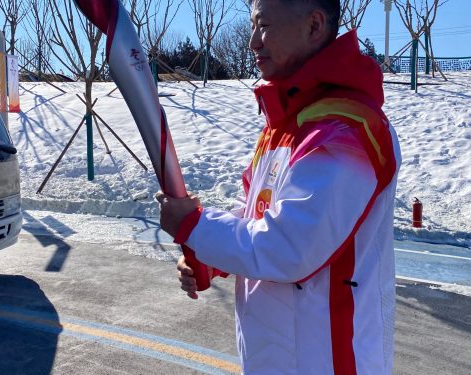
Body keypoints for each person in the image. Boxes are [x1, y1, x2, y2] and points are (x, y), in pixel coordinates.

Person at [156, 0, 401, 374]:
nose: (253, 41)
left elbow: (288, 249)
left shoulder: (344, 130)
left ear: (314, 25)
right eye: (253, 26)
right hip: (273, 358)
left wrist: (195, 227)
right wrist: (208, 258)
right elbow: (254, 218)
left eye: (264, 25)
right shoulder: (284, 126)